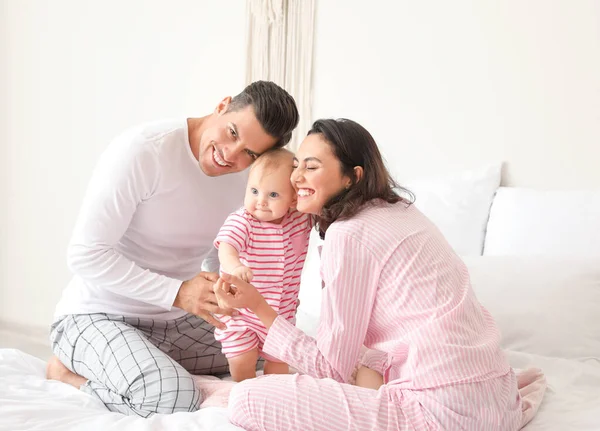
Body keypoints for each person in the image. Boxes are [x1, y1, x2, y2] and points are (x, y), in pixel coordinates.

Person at [213, 118, 526, 430]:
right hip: (499, 402)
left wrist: (257, 306)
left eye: (311, 167)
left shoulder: (349, 233)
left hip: (441, 413)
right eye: (296, 166)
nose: (295, 178)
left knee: (245, 399)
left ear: (352, 177)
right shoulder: (401, 209)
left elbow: (330, 367)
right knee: (366, 362)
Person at [45, 81, 299, 417]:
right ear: (222, 105)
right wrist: (179, 292)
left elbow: (220, 244)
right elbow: (85, 253)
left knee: (290, 351)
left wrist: (223, 291)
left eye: (249, 153)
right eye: (232, 132)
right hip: (97, 314)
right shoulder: (144, 150)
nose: (231, 154)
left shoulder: (247, 178)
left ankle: (150, 361)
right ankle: (67, 374)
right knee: (174, 398)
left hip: (177, 321)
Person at [213, 148, 311, 382]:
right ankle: (244, 391)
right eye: (254, 191)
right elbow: (227, 247)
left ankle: (272, 395)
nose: (261, 202)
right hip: (241, 314)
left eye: (273, 195)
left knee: (279, 362)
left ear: (294, 199)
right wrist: (235, 267)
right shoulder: (243, 221)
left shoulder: (300, 218)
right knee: (242, 360)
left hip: (281, 313)